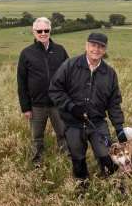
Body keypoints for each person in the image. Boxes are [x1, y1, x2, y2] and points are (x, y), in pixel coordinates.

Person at [49, 32, 127, 186]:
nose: (96, 50)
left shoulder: (109, 73)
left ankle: (117, 188)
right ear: (86, 46)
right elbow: (55, 90)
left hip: (97, 123)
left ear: (105, 50)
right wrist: (71, 107)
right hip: (73, 124)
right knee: (78, 159)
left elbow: (113, 103)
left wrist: (119, 128)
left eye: (100, 47)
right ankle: (83, 189)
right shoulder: (70, 65)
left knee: (107, 156)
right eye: (93, 45)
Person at [17, 17, 69, 166]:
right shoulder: (26, 53)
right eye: (39, 31)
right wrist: (25, 107)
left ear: (50, 31)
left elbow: (69, 76)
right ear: (34, 32)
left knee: (63, 134)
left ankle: (66, 159)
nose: (43, 33)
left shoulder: (60, 50)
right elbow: (21, 82)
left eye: (46, 30)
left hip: (58, 104)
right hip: (36, 105)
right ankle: (38, 162)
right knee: (37, 137)